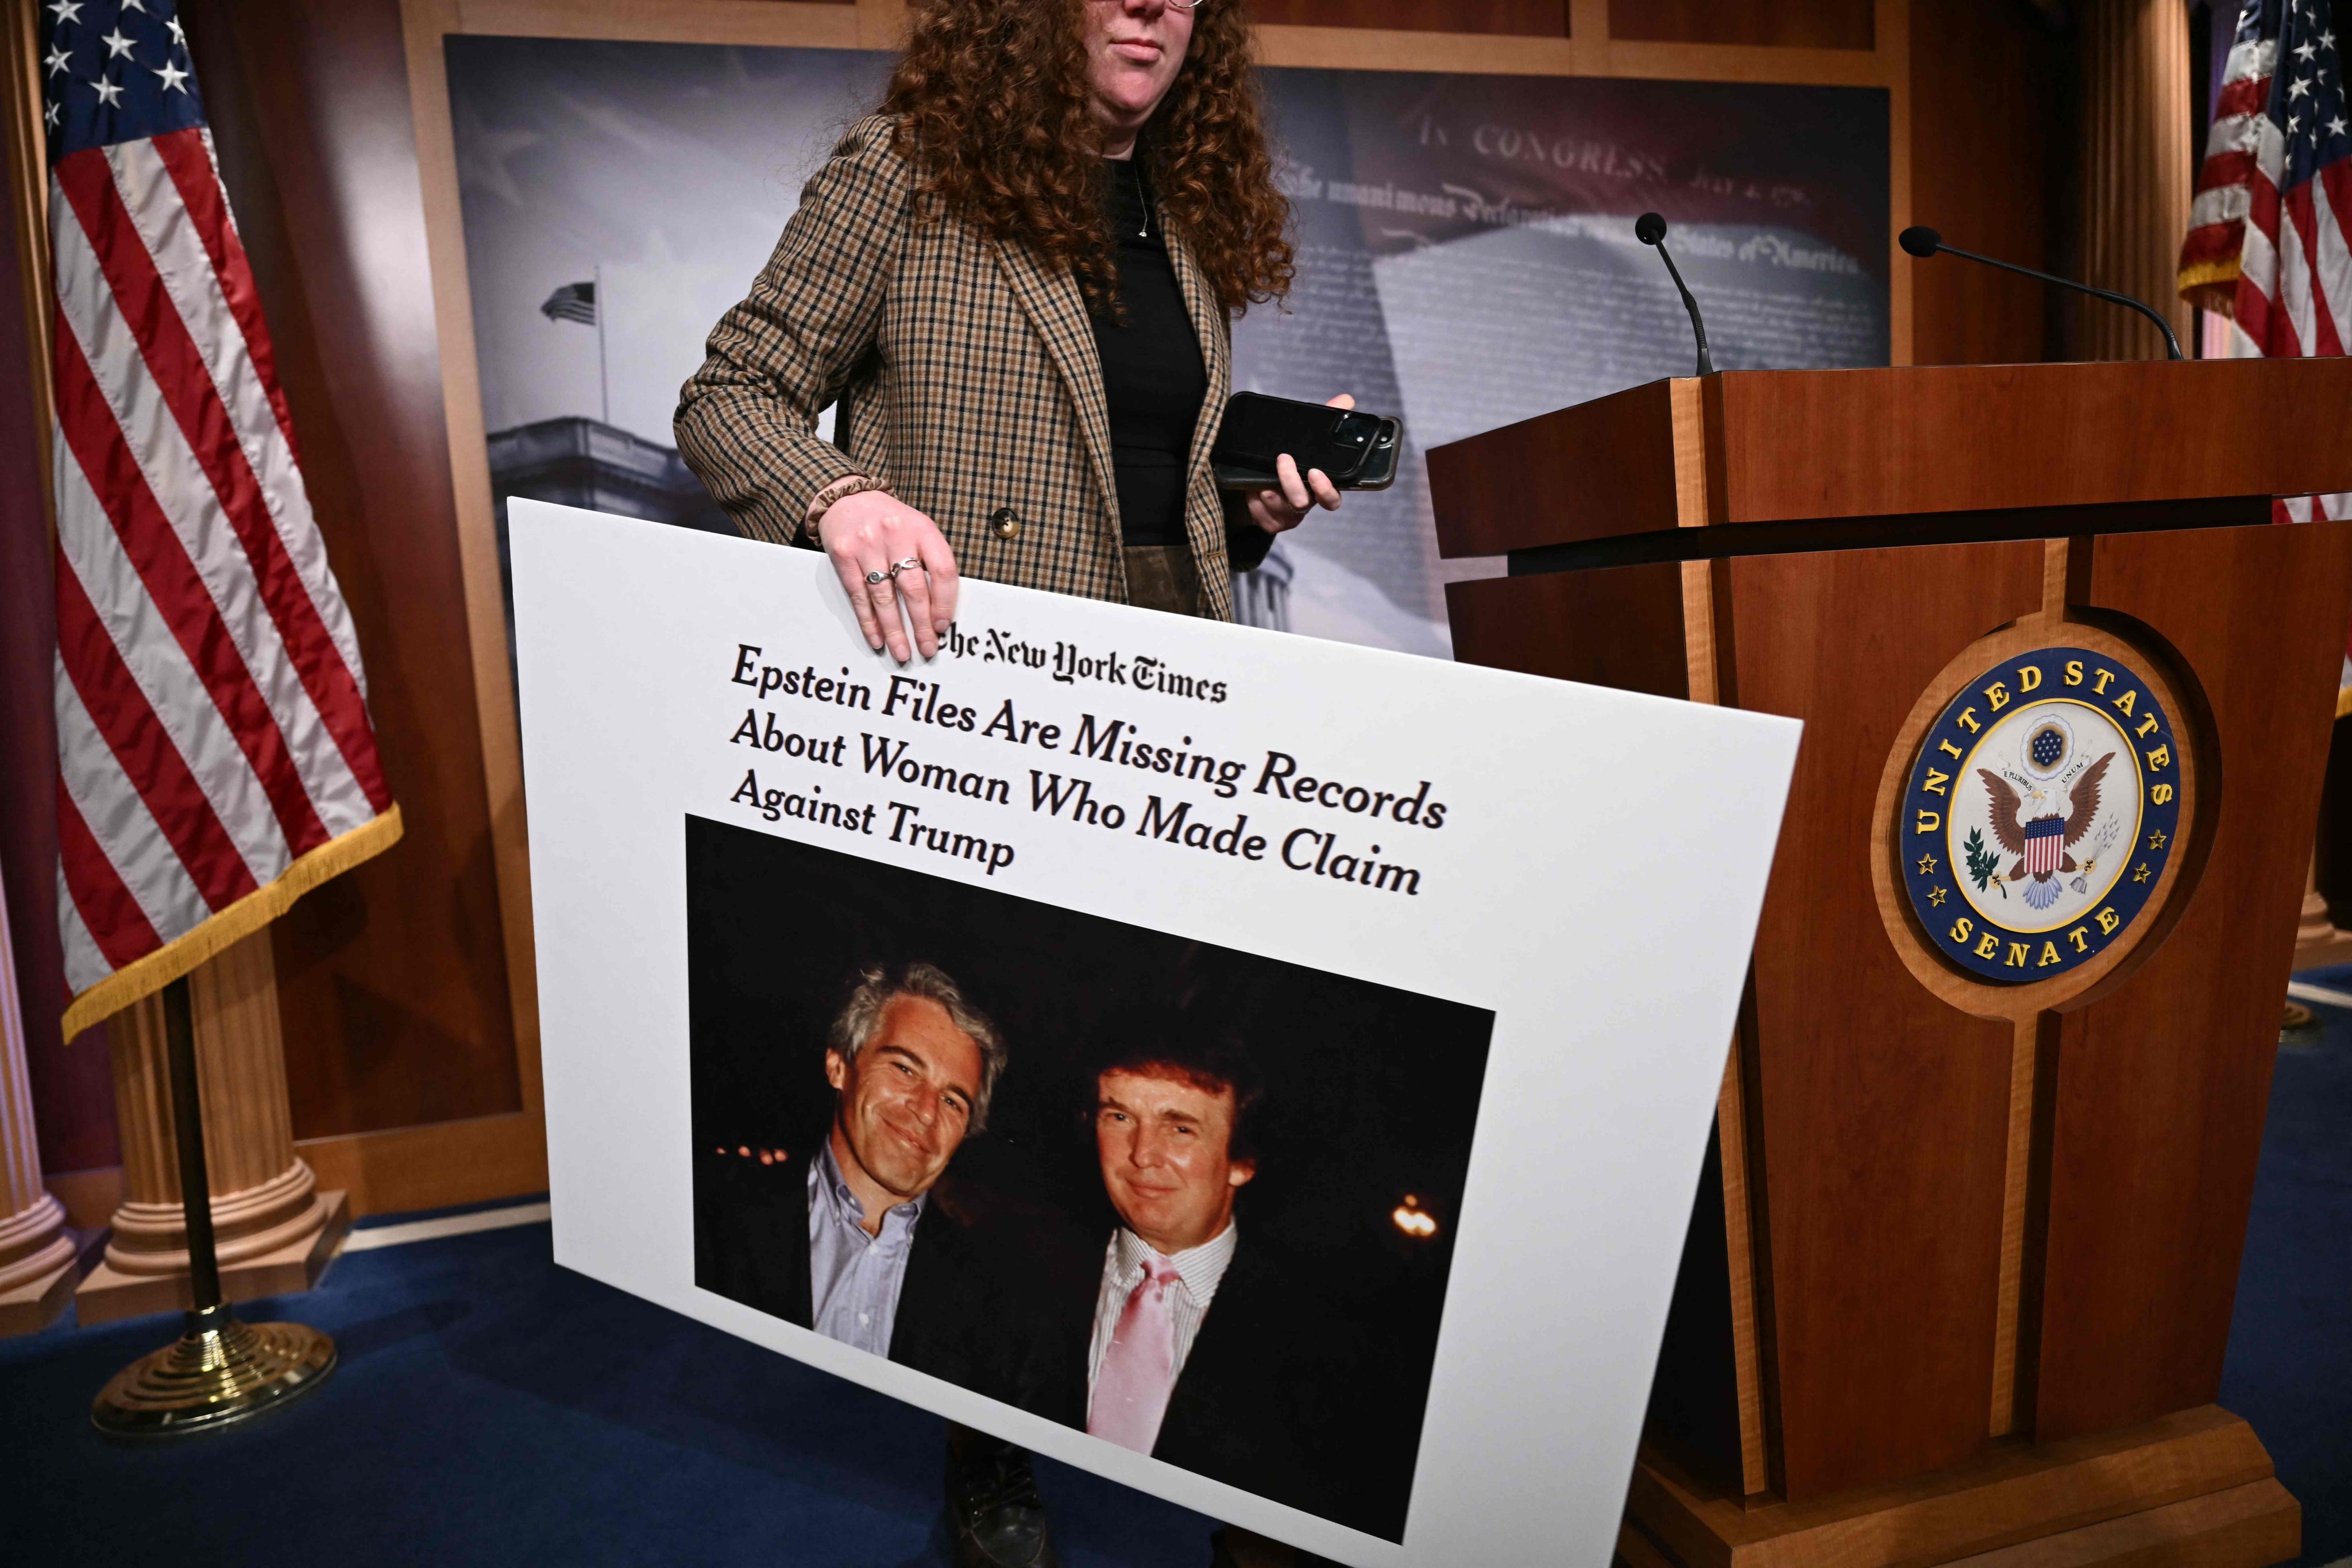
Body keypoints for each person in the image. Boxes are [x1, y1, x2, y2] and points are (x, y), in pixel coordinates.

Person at [674, 0, 1352, 668]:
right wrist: (838, 500)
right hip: (972, 654)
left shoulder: (1190, 206)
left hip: (1173, 655)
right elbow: (731, 392)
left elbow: (1125, 487)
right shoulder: (910, 167)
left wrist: (1244, 512)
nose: (1149, 5)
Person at [692, 963, 1049, 1567]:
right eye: (904, 1068)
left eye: (954, 1099)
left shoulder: (996, 1300)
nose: (923, 1111)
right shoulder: (717, 1205)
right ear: (840, 1065)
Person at [1063, 1018, 1333, 1557]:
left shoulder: (1319, 1342)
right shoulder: (1023, 1277)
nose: (1142, 1154)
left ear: (1242, 1161)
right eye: (1119, 1117)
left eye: (1179, 1127)